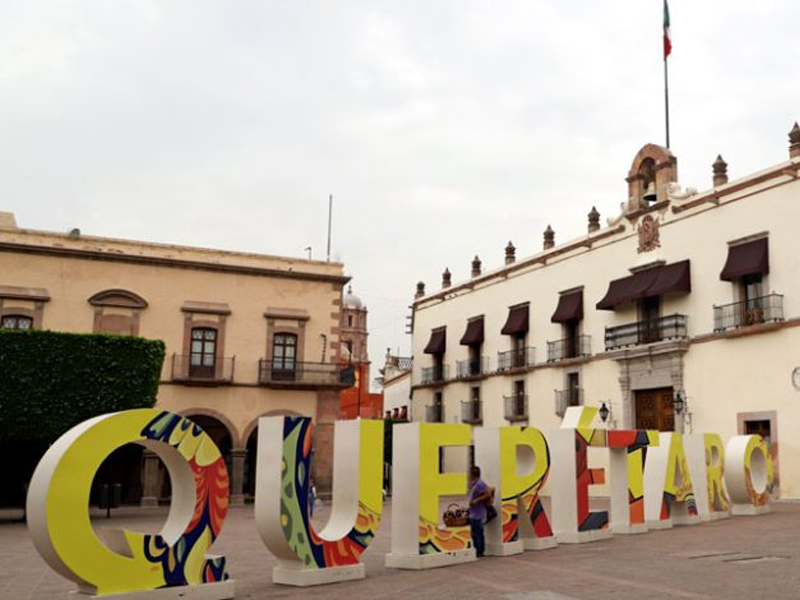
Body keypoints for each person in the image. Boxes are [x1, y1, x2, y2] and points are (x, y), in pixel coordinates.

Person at [467, 465, 492, 558]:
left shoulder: (480, 484)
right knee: (475, 533)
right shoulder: (474, 484)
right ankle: (478, 550)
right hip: (473, 513)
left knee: (478, 533)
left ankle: (479, 551)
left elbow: (488, 494)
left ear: (473, 474)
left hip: (478, 513)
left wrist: (476, 501)